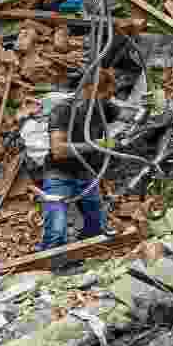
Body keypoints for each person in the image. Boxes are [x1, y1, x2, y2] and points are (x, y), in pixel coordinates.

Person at [37, 67, 117, 252]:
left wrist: (147, 108)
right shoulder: (63, 110)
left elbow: (132, 116)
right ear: (89, 89)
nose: (109, 100)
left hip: (86, 172)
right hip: (59, 173)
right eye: (106, 95)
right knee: (56, 231)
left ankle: (87, 256)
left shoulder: (103, 107)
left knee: (96, 229)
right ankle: (52, 262)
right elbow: (58, 150)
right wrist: (96, 145)